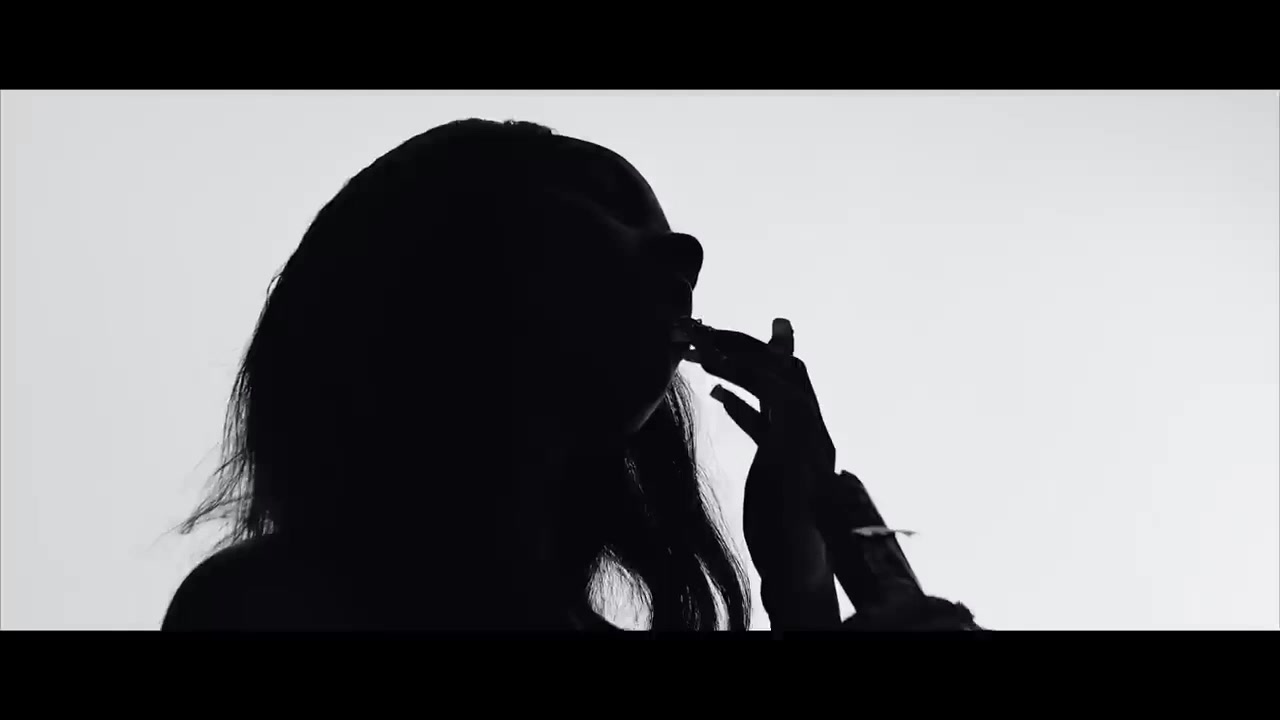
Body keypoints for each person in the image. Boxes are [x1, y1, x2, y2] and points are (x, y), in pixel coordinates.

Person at [162, 118, 979, 631]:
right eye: (604, 204)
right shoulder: (272, 607)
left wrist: (799, 576)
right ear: (441, 261)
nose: (686, 253)